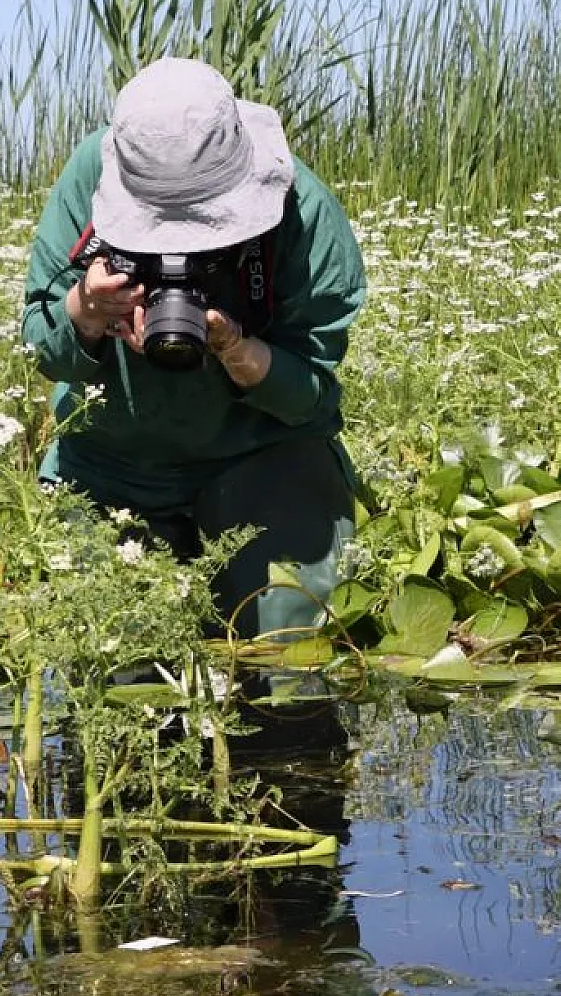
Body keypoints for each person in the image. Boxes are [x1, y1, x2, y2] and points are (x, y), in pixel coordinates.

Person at [22, 57, 367, 638]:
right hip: (110, 467)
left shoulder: (302, 212)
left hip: (263, 459)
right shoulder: (90, 177)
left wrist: (236, 349)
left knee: (286, 664)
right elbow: (42, 348)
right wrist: (84, 309)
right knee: (117, 686)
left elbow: (312, 396)